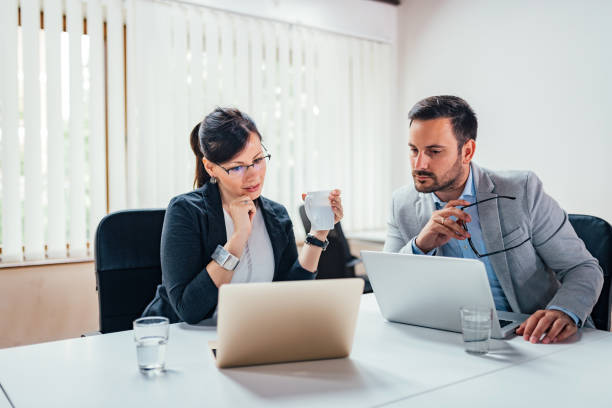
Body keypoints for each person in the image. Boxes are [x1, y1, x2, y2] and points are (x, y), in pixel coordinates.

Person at [384, 95, 603, 344]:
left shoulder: (522, 191)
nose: (419, 163)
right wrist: (420, 245)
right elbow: (390, 290)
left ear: (467, 151)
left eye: (434, 151)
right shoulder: (401, 204)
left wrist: (563, 310)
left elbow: (583, 268)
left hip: (531, 336)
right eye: (414, 150)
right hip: (448, 337)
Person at [143, 107, 343, 324]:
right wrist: (238, 238)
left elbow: (290, 295)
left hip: (251, 337)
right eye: (237, 167)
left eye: (258, 160)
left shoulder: (276, 215)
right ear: (210, 167)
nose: (254, 175)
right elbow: (188, 309)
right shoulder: (185, 211)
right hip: (188, 341)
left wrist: (318, 233)